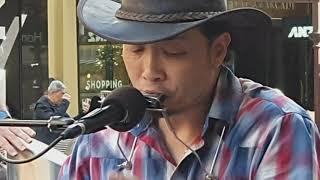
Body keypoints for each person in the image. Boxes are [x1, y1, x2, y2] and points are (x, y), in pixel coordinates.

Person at [59, 0, 320, 179]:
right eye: (135, 49)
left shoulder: (275, 127)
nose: (150, 71)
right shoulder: (101, 136)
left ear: (218, 51)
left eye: (173, 52)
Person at [33, 80, 71, 145]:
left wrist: (84, 113)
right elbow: (54, 119)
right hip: (45, 143)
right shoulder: (41, 105)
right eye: (62, 93)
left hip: (56, 142)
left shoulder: (56, 106)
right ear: (53, 92)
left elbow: (69, 120)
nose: (63, 96)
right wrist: (65, 103)